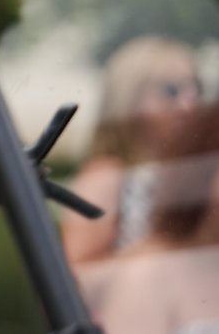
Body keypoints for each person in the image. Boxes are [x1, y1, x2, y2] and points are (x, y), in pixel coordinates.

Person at [66, 35, 219, 334]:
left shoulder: (192, 168)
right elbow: (73, 283)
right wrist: (167, 246)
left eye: (196, 88)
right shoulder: (108, 175)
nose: (189, 102)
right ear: (128, 98)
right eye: (170, 90)